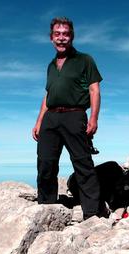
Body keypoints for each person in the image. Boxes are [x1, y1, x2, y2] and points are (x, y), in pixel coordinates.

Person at [32, 17, 103, 220]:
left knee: (82, 163)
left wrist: (94, 118)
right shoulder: (51, 65)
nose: (61, 38)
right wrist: (39, 122)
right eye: (57, 34)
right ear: (51, 38)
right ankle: (46, 208)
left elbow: (94, 89)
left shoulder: (84, 60)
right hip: (51, 118)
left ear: (71, 36)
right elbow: (48, 95)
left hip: (75, 115)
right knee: (45, 163)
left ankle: (92, 213)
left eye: (65, 34)